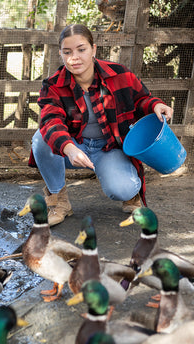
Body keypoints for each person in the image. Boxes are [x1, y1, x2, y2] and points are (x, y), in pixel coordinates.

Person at [29, 24, 173, 226]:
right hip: (74, 147)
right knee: (41, 139)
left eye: (81, 49)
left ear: (93, 49)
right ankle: (59, 201)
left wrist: (155, 105)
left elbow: (141, 99)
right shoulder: (53, 84)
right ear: (60, 53)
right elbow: (50, 120)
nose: (74, 58)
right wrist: (69, 148)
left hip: (109, 147)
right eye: (67, 52)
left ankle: (131, 195)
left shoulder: (119, 74)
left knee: (122, 188)